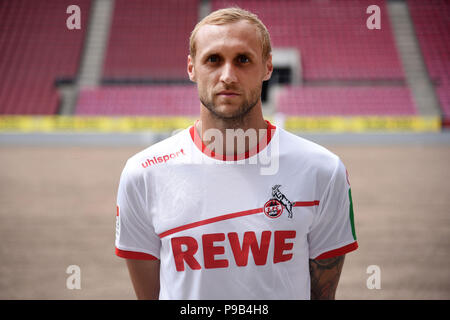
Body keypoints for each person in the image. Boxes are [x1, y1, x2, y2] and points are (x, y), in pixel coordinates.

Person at [115, 7, 358, 300]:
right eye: (213, 60)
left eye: (243, 60)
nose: (228, 76)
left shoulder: (323, 171)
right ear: (192, 68)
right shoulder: (143, 174)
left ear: (268, 67)